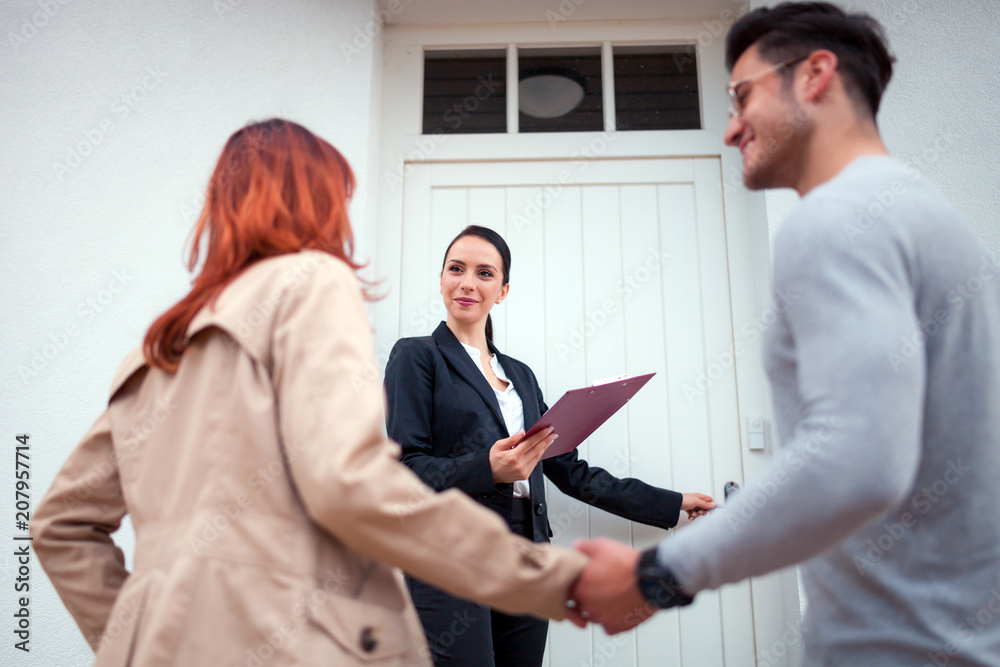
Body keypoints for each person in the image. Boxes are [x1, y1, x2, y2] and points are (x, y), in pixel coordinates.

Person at [30, 119, 591, 667]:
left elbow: (60, 524)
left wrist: (133, 640)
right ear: (317, 203)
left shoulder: (156, 349)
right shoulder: (310, 283)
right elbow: (350, 486)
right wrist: (557, 578)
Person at [570, 3, 1000, 665]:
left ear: (816, 76)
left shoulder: (833, 217)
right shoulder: (932, 217)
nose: (731, 129)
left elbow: (855, 457)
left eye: (742, 97)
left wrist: (654, 575)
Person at [384, 224, 715, 667]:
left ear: (502, 291)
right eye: (456, 269)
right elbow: (405, 470)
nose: (467, 282)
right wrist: (489, 469)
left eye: (484, 273)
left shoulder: (521, 376)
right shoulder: (416, 356)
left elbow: (571, 473)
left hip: (527, 550)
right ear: (441, 279)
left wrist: (671, 503)